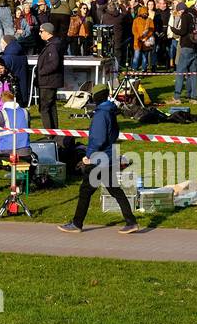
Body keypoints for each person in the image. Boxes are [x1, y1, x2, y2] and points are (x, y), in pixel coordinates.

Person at [58, 85, 141, 235]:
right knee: (115, 190)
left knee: (85, 191)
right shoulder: (110, 112)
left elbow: (97, 139)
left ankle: (77, 224)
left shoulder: (101, 115)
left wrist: (88, 156)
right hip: (109, 157)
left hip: (98, 159)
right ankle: (131, 221)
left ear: (96, 98)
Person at [35, 22, 63, 129]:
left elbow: (54, 64)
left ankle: (49, 134)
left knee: (45, 108)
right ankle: (54, 132)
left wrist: (41, 71)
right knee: (51, 107)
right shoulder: (52, 44)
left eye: (41, 31)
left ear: (47, 32)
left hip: (48, 82)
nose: (39, 34)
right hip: (50, 81)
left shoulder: (53, 46)